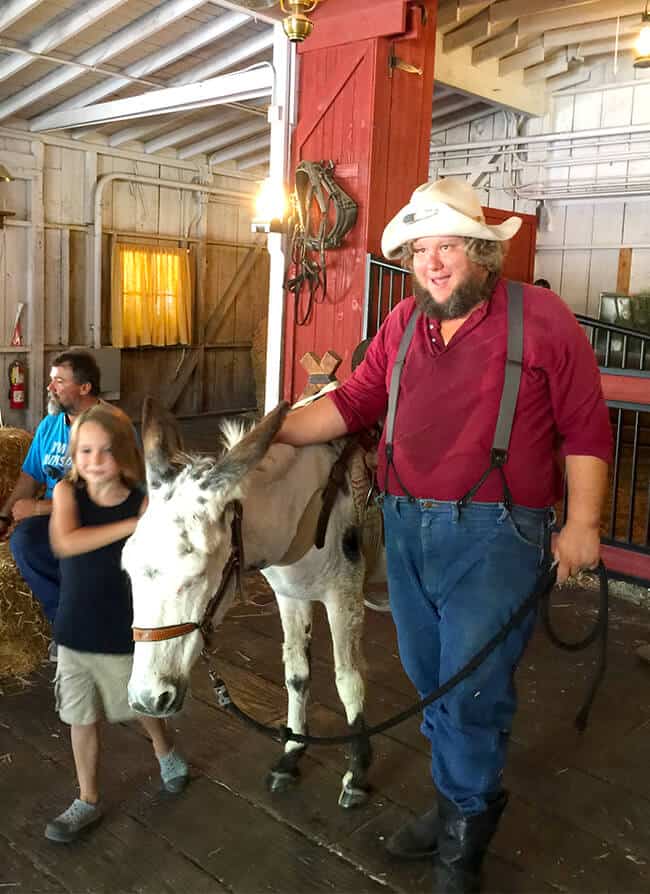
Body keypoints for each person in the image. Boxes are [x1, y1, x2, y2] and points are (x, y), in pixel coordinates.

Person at [275, 178, 613, 893]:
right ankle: (459, 800)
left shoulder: (541, 318)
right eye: (421, 249)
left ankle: (462, 844)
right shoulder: (402, 325)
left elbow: (586, 426)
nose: (432, 261)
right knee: (430, 681)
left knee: (470, 688)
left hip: (497, 534)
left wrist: (582, 524)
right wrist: (271, 432)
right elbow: (353, 403)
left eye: (448, 245)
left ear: (483, 252)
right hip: (404, 528)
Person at [45, 404, 188, 843]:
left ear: (124, 454)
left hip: (123, 631)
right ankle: (87, 799)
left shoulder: (142, 499)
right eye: (84, 450)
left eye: (105, 451)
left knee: (138, 706)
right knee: (79, 718)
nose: (92, 460)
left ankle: (166, 752)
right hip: (74, 632)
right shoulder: (69, 495)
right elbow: (66, 542)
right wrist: (132, 526)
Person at [0, 351, 104, 657]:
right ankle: (66, 622)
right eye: (51, 380)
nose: (50, 387)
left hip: (100, 516)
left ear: (84, 388)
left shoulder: (110, 427)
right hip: (57, 515)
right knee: (25, 541)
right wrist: (4, 516)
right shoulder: (49, 426)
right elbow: (29, 479)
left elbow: (105, 496)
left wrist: (37, 509)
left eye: (59, 380)